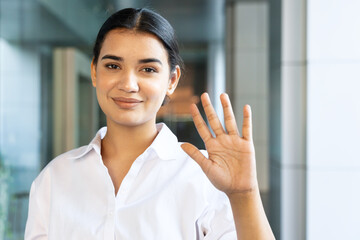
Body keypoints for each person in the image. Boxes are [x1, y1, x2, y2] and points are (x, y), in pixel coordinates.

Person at [25, 8, 275, 240]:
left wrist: (244, 195)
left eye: (147, 69)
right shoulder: (54, 179)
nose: (128, 84)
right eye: (113, 66)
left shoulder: (204, 176)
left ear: (172, 80)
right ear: (94, 71)